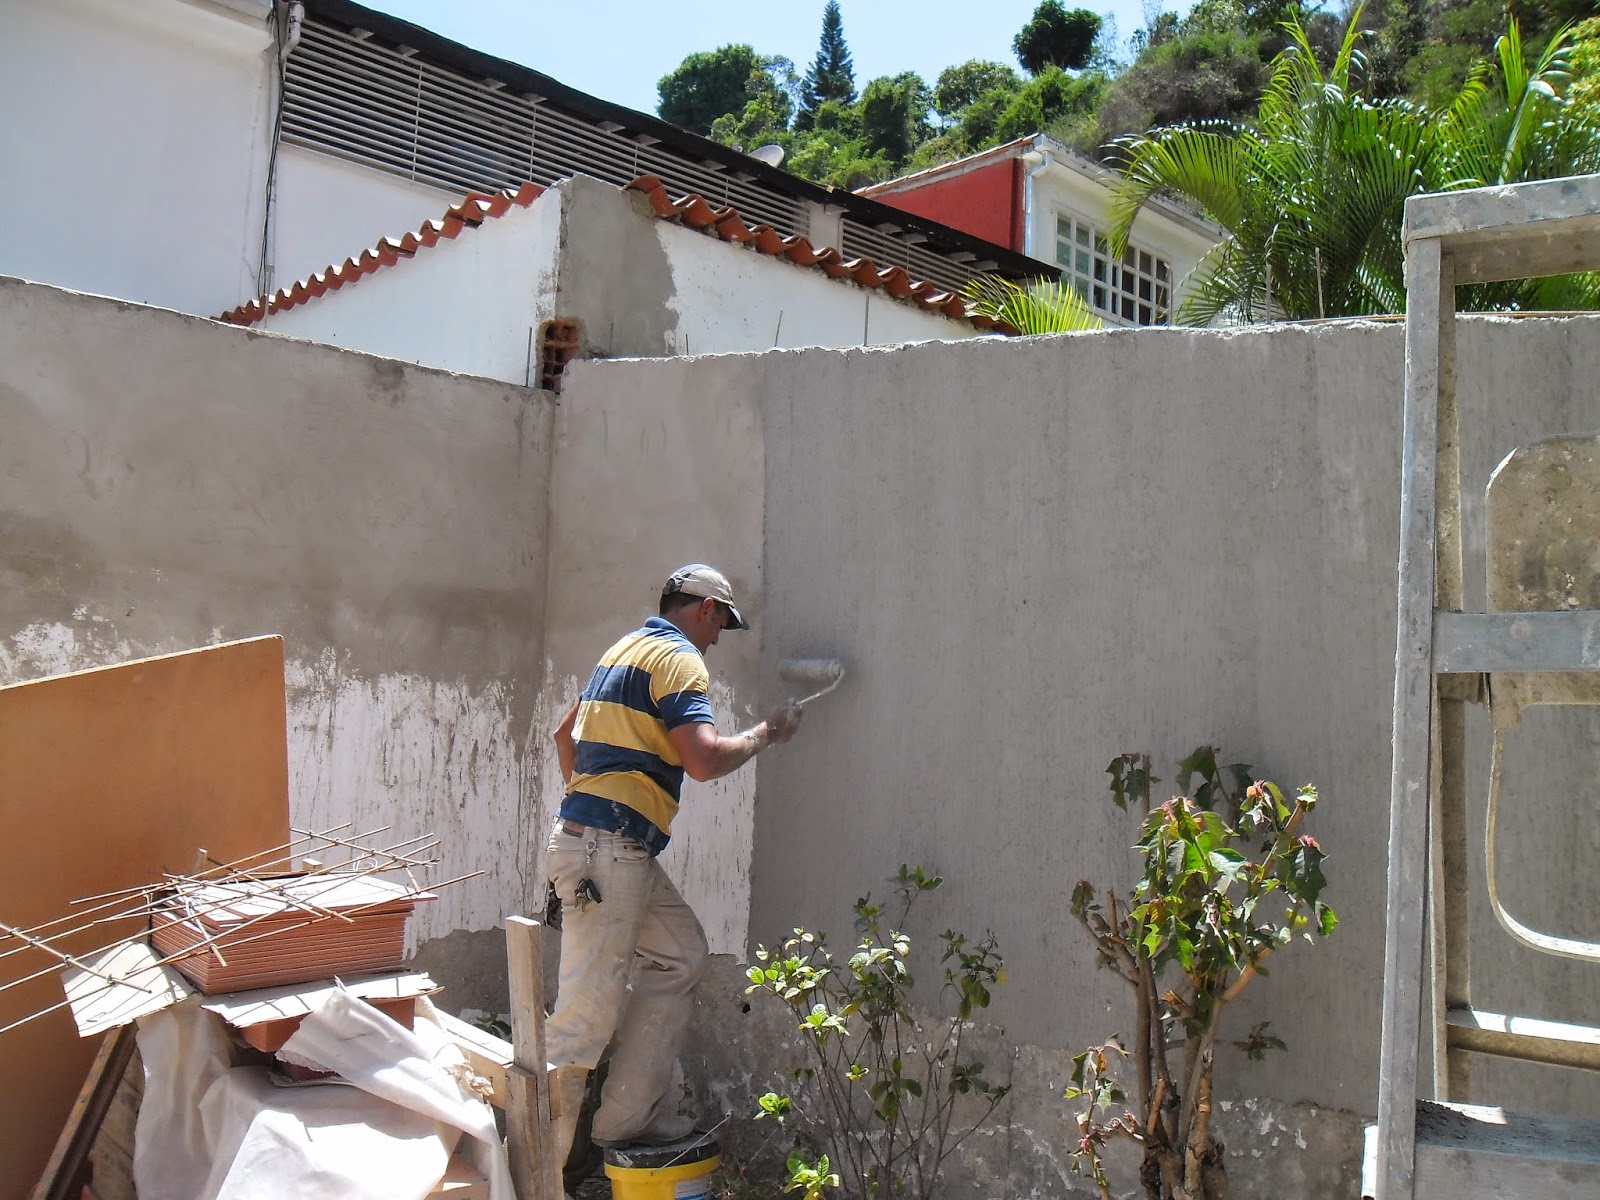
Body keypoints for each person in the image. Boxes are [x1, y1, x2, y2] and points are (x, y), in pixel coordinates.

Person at [545, 564, 803, 1179]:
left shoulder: (621, 652)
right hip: (610, 850)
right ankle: (535, 1174)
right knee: (583, 1023)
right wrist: (768, 733)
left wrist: (591, 815)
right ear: (707, 609)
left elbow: (563, 737)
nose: (718, 638)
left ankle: (623, 1123)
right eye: (722, 624)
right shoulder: (681, 660)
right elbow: (706, 760)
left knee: (682, 953)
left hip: (604, 844)